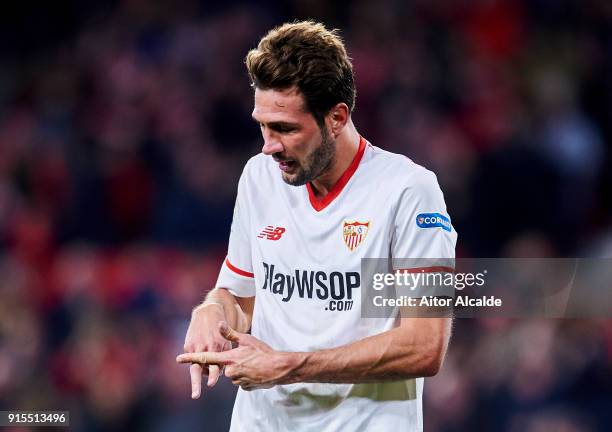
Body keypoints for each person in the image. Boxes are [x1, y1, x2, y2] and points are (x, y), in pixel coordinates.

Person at [177, 20, 457, 431]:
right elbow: (240, 297)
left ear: (337, 117)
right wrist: (212, 311)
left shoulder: (408, 191)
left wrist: (287, 367)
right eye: (263, 125)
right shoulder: (259, 177)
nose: (269, 145)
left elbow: (424, 345)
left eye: (285, 129)